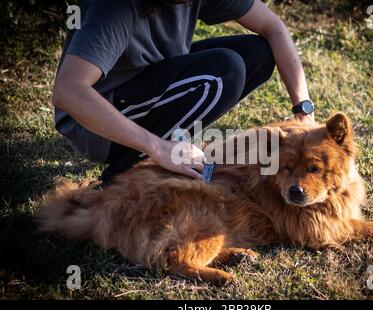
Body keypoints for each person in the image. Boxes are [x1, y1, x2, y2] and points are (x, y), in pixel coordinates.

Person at [52, 0, 315, 185]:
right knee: (225, 70)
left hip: (146, 79)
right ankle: (124, 170)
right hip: (96, 125)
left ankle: (160, 144)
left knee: (258, 53)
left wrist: (302, 109)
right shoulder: (114, 8)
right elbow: (68, 91)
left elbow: (274, 28)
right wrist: (158, 147)